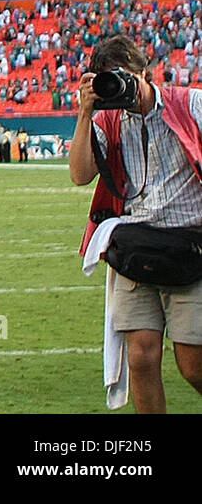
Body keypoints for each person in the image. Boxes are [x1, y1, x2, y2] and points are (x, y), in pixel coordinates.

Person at [71, 34, 202, 413]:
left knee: (193, 364)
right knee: (141, 358)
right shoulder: (108, 119)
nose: (119, 86)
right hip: (134, 247)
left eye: (123, 76)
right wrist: (85, 113)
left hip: (188, 246)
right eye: (107, 78)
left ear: (144, 71)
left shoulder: (189, 103)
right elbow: (80, 174)